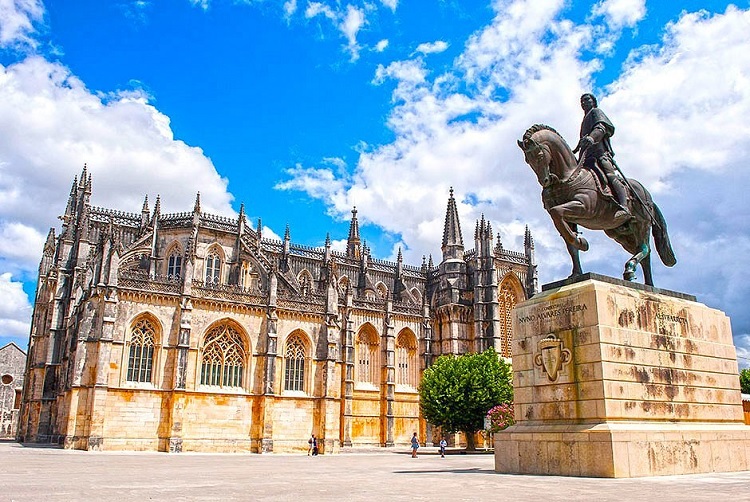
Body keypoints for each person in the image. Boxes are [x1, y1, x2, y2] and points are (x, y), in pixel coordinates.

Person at [573, 93, 631, 224]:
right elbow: (582, 140)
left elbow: (601, 128)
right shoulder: (585, 119)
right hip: (586, 155)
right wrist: (574, 150)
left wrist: (592, 138)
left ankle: (624, 206)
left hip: (600, 153)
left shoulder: (596, 112)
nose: (584, 102)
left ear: (593, 101)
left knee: (610, 175)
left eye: (587, 99)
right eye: (581, 101)